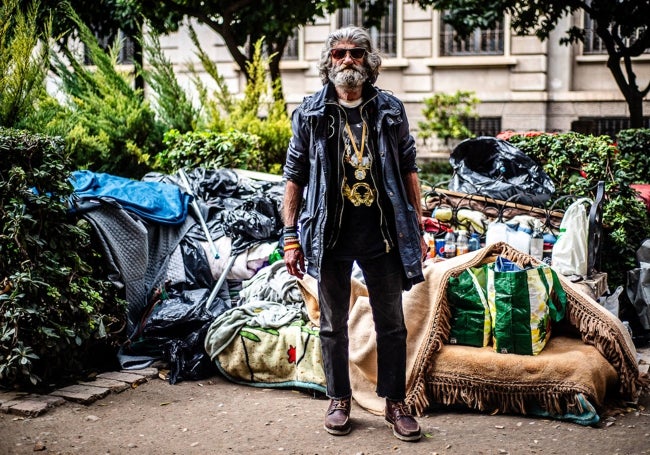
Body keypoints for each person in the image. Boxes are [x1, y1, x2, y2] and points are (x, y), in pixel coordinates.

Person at [281, 26, 427, 442]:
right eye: (340, 53)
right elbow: (294, 177)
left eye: (357, 53)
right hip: (330, 236)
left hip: (383, 235)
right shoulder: (310, 112)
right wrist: (290, 237)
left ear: (369, 61)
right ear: (329, 61)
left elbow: (408, 168)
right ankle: (339, 398)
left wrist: (417, 225)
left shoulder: (390, 110)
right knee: (332, 325)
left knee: (392, 324)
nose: (347, 60)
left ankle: (395, 403)